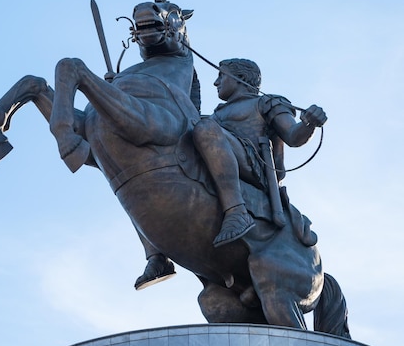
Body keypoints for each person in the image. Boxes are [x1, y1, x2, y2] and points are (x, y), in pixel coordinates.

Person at [134, 58, 327, 289]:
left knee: (204, 128)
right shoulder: (215, 116)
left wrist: (309, 124)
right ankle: (157, 254)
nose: (216, 82)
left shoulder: (266, 102)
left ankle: (236, 212)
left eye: (221, 76)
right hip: (219, 162)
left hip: (254, 167)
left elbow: (294, 136)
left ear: (240, 78)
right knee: (147, 179)